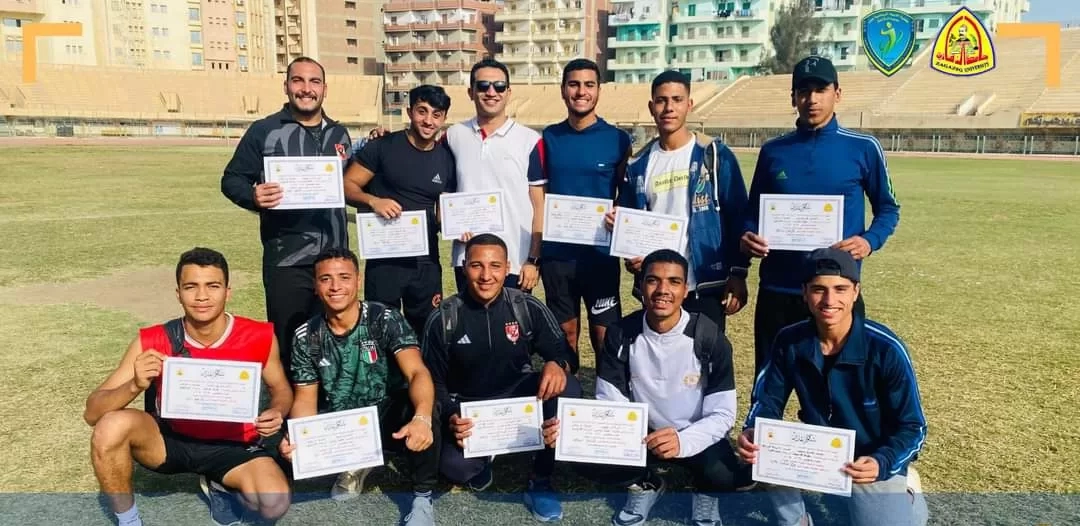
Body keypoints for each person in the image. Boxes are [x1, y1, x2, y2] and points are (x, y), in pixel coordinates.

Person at [84, 248, 293, 526]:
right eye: (191, 286)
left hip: (233, 445)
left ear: (227, 292)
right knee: (110, 426)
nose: (202, 296)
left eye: (213, 286)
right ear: (178, 293)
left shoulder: (258, 335)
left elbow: (281, 389)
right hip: (171, 440)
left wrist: (277, 410)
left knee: (273, 502)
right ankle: (129, 520)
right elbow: (92, 413)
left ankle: (221, 484)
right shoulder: (153, 339)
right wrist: (134, 385)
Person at [541, 249, 744, 526]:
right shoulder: (620, 333)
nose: (663, 290)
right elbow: (610, 400)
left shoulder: (710, 337)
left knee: (727, 476)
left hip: (692, 432)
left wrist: (683, 441)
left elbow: (722, 414)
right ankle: (645, 483)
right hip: (639, 436)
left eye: (674, 282)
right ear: (640, 285)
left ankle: (705, 491)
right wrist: (574, 433)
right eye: (653, 280)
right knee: (579, 455)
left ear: (685, 290)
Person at [736, 247, 928, 526]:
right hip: (820, 451)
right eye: (818, 289)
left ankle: (907, 492)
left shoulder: (886, 348)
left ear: (855, 291)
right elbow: (767, 400)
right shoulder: (789, 340)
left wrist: (882, 462)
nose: (829, 300)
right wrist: (753, 429)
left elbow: (913, 426)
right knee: (766, 444)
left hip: (868, 459)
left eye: (840, 289)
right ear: (804, 292)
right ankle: (796, 520)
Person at [740, 55, 901, 375]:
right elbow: (753, 213)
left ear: (837, 94)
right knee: (769, 385)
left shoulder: (863, 147)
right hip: (778, 291)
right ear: (793, 98)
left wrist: (869, 241)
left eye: (820, 90)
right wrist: (747, 239)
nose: (812, 99)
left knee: (841, 389)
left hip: (835, 293)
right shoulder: (773, 151)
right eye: (803, 91)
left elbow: (888, 208)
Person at [420, 233, 582, 523]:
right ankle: (486, 455)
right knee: (455, 469)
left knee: (567, 387)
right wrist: (451, 415)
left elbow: (566, 353)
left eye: (495, 266)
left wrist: (557, 364)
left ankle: (540, 480)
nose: (486, 276)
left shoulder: (525, 306)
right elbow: (433, 382)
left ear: (508, 268)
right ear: (463, 267)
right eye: (476, 266)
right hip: (470, 407)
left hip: (519, 397)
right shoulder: (444, 317)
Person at [280, 248, 440, 526]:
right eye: (326, 279)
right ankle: (355, 461)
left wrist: (422, 417)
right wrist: (299, 436)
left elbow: (417, 372)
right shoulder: (306, 335)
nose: (335, 286)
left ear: (358, 280)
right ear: (316, 286)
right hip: (343, 421)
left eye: (344, 277)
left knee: (427, 407)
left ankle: (422, 498)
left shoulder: (384, 318)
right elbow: (305, 398)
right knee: (285, 447)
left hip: (388, 412)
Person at [220, 56, 353, 378]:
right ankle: (292, 406)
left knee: (335, 338)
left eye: (314, 81)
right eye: (298, 80)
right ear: (286, 86)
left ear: (324, 89)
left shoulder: (339, 134)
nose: (306, 89)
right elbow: (232, 179)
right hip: (287, 259)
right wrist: (253, 196)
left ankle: (330, 403)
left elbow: (351, 181)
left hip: (334, 258)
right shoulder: (264, 130)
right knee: (290, 339)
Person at [611, 70, 751, 332]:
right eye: (661, 100)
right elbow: (631, 224)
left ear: (689, 104)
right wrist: (632, 256)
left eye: (677, 99)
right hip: (659, 289)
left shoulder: (714, 154)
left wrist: (738, 272)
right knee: (659, 354)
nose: (669, 108)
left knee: (704, 354)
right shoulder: (638, 164)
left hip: (705, 285)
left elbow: (738, 215)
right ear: (651, 107)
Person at [343, 85, 457, 337]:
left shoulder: (446, 158)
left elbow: (443, 213)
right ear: (409, 111)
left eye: (436, 114)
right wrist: (373, 201)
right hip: (385, 260)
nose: (428, 121)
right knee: (381, 333)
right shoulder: (382, 146)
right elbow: (346, 185)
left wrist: (459, 225)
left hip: (425, 264)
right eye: (422, 111)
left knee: (427, 332)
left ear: (444, 118)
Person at [538, 58, 633, 357]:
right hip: (558, 256)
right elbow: (538, 193)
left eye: (589, 85)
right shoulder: (549, 137)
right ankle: (569, 386)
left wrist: (620, 214)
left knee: (605, 335)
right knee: (564, 334)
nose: (581, 91)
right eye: (574, 84)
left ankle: (608, 386)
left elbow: (626, 194)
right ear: (563, 90)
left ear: (599, 90)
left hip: (599, 256)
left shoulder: (618, 139)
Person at [443, 58, 547, 293]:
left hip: (514, 261)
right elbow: (442, 192)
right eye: (483, 86)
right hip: (467, 259)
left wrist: (533, 259)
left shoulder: (530, 140)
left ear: (508, 92)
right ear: (470, 92)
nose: (491, 92)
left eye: (499, 86)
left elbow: (539, 205)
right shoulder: (452, 136)